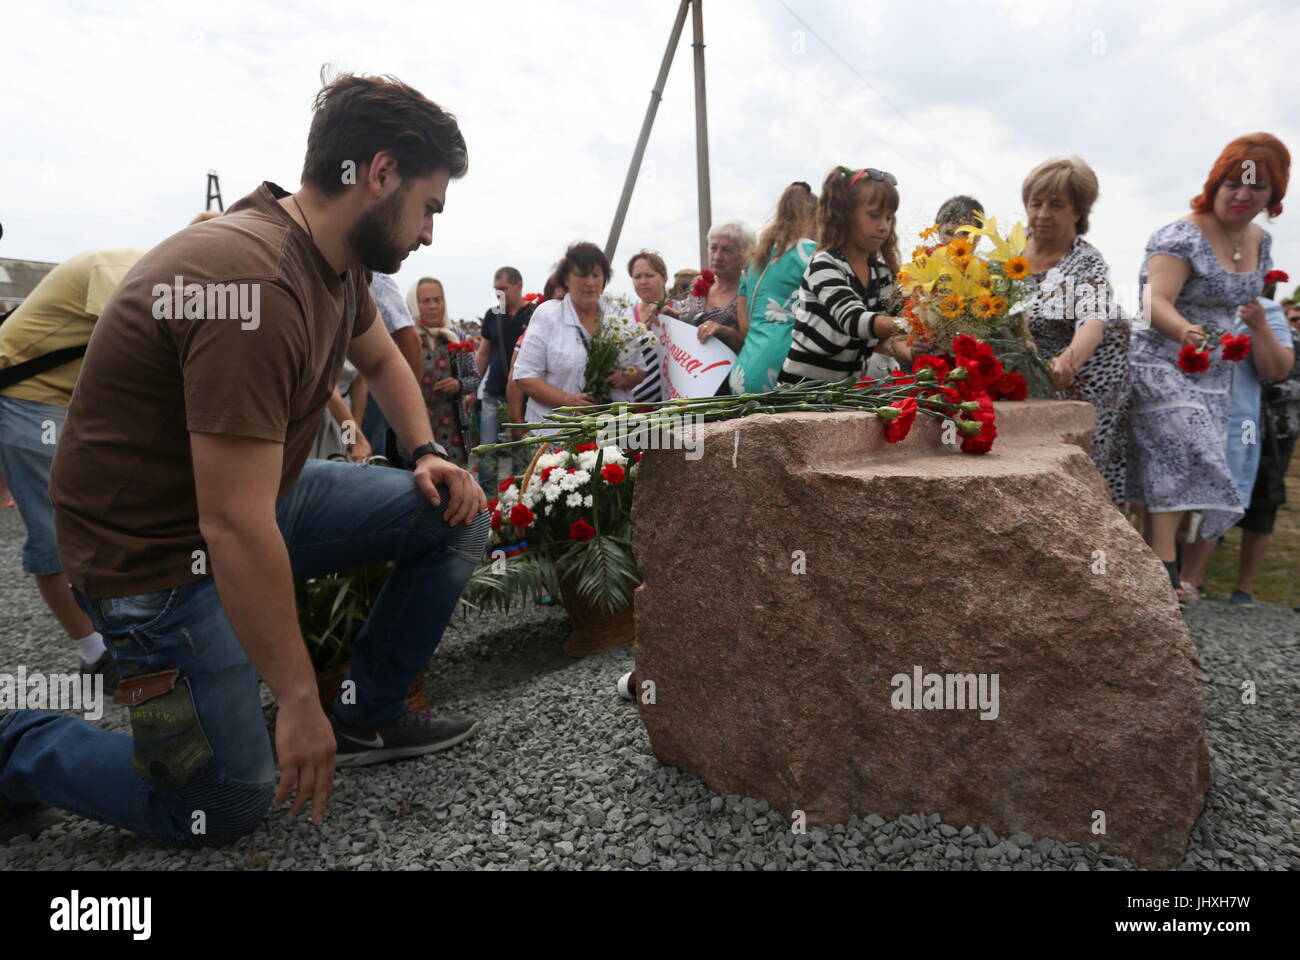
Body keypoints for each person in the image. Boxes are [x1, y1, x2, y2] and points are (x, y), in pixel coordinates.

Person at [0, 73, 488, 847]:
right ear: (381, 173)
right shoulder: (251, 285)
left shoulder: (335, 261)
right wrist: (295, 699)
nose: (430, 233)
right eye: (430, 206)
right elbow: (228, 525)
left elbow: (385, 363)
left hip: (251, 503)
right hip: (150, 568)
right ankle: (16, 742)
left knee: (455, 511)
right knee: (217, 804)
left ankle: (365, 715)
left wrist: (427, 451)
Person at [1126, 132, 1289, 602]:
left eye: (1257, 187)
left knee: (1184, 463)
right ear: (1215, 183)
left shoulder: (1262, 241)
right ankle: (1165, 568)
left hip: (1219, 372)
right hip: (1162, 357)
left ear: (1272, 195)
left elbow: (1252, 303)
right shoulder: (1181, 235)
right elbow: (1154, 302)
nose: (1243, 195)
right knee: (1180, 439)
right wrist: (1188, 333)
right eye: (1233, 183)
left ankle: (1157, 568)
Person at [0, 244, 150, 692]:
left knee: (100, 526)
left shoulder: (160, 277)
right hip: (30, 401)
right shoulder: (123, 269)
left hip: (64, 406)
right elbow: (137, 353)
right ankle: (97, 656)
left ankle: (115, 643)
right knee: (56, 533)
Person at [1019, 156, 1132, 506]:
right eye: (1036, 203)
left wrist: (1068, 362)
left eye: (1056, 205)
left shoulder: (1087, 262)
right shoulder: (1009, 252)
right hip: (1035, 368)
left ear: (1079, 212)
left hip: (1088, 375)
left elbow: (1093, 320)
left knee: (1079, 474)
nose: (1042, 214)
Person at [1179, 274, 1295, 602]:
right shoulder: (1185, 304)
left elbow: (1276, 371)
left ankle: (1191, 578)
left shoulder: (1267, 311)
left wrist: (1258, 325)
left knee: (1223, 491)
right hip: (1184, 412)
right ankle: (1166, 570)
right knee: (1174, 492)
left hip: (1239, 422)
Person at [779, 166, 910, 385]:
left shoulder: (883, 276)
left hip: (841, 395)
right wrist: (914, 324)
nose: (883, 227)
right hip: (798, 393)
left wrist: (920, 347)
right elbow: (854, 321)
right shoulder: (824, 265)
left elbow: (891, 336)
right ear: (845, 215)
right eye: (874, 216)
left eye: (889, 218)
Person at [514, 242, 642, 431]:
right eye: (582, 275)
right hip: (555, 431)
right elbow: (525, 375)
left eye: (596, 275)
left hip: (610, 430)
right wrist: (567, 400)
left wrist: (624, 378)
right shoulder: (548, 315)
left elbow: (639, 369)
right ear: (566, 278)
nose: (590, 282)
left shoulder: (620, 315)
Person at [730, 182, 818, 394]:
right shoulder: (813, 255)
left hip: (743, 372)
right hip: (784, 371)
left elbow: (745, 326)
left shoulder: (755, 260)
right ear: (817, 217)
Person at [400, 277, 479, 465]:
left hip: (451, 425)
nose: (433, 306)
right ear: (414, 304)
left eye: (437, 299)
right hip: (415, 423)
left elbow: (474, 378)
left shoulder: (456, 335)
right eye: (426, 301)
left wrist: (458, 385)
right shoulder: (405, 336)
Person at [474, 267, 531, 491]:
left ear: (519, 286)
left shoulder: (533, 313)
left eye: (503, 289)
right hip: (494, 391)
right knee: (487, 448)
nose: (499, 294)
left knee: (522, 447)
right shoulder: (492, 314)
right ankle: (486, 498)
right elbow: (483, 354)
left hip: (524, 394)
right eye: (496, 290)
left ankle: (521, 495)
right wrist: (472, 388)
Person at [360, 271, 423, 461]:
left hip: (369, 393)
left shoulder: (376, 280)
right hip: (343, 392)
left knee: (366, 458)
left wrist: (409, 400)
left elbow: (409, 338)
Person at [676, 220, 752, 355]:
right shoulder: (699, 281)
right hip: (689, 370)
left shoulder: (749, 294)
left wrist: (724, 331)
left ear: (744, 256)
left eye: (727, 250)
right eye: (713, 248)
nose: (717, 256)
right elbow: (687, 323)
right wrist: (668, 313)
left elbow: (750, 345)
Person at [626, 250, 668, 403]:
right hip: (633, 407)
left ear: (664, 278)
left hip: (674, 408)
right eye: (637, 277)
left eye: (649, 275)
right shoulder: (625, 318)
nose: (643, 281)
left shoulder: (679, 314)